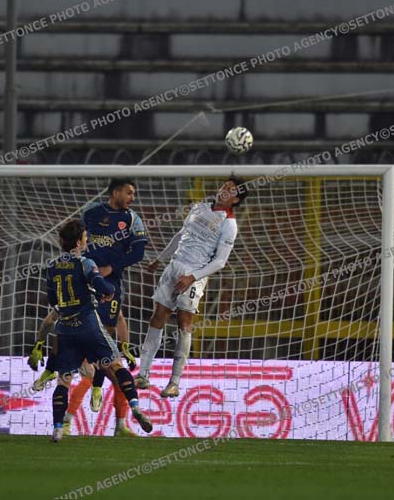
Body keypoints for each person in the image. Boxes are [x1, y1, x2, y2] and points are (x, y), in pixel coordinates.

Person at [29, 219, 152, 442]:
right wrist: (107, 291)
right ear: (78, 242)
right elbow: (101, 285)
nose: (87, 241)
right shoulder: (85, 263)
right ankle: (135, 407)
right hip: (88, 325)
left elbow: (52, 299)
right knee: (116, 365)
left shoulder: (52, 266)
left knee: (64, 380)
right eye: (85, 238)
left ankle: (58, 429)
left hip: (65, 328)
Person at [136, 176, 247, 398]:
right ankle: (143, 374)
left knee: (184, 323)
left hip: (194, 273)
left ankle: (174, 382)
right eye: (224, 186)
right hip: (175, 265)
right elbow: (180, 235)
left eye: (231, 190)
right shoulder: (199, 207)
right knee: (158, 316)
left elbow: (220, 262)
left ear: (236, 199)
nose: (224, 190)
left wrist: (192, 277)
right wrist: (160, 259)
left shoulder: (229, 224)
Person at [63, 177, 146, 437]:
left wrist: (112, 267)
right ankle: (65, 420)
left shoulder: (132, 219)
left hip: (111, 285)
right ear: (115, 192)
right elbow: (77, 241)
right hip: (86, 282)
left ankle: (119, 423)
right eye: (129, 192)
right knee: (93, 363)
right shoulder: (91, 213)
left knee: (108, 356)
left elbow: (139, 251)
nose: (132, 197)